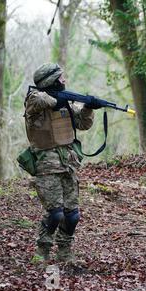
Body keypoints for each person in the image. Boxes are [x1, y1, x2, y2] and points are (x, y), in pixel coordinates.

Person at [24, 63, 100, 262]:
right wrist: (58, 99)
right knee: (55, 214)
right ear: (51, 81)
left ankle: (65, 253)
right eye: (61, 77)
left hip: (68, 164)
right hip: (46, 167)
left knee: (72, 215)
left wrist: (88, 108)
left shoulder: (64, 103)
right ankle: (42, 253)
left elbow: (83, 124)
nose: (64, 80)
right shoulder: (35, 100)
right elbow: (40, 99)